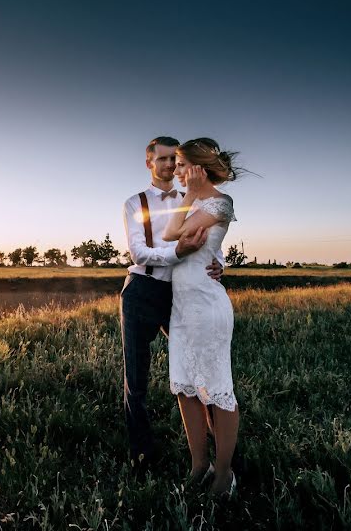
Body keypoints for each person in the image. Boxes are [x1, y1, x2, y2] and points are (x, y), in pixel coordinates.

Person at [121, 136, 223, 474]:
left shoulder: (193, 199)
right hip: (142, 290)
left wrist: (222, 265)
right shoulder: (135, 203)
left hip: (181, 295)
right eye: (162, 159)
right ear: (149, 162)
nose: (169, 165)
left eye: (173, 160)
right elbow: (138, 253)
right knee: (136, 379)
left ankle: (217, 448)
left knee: (196, 370)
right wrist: (176, 254)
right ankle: (142, 456)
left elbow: (213, 245)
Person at [162, 137, 240, 496]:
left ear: (197, 168)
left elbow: (173, 233)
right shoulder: (188, 201)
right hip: (181, 310)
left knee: (218, 389)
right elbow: (169, 236)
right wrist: (188, 197)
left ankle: (224, 474)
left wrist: (190, 195)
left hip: (208, 309)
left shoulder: (221, 203)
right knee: (185, 388)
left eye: (180, 165)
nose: (175, 172)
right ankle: (199, 465)